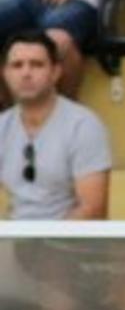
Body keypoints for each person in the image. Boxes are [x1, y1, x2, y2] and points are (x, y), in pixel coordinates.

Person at [0, 31, 110, 220]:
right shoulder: (3, 126)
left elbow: (92, 210)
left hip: (71, 245)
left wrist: (42, 245)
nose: (26, 73)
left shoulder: (83, 126)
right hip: (17, 240)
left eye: (37, 65)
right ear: (5, 73)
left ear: (55, 72)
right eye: (17, 65)